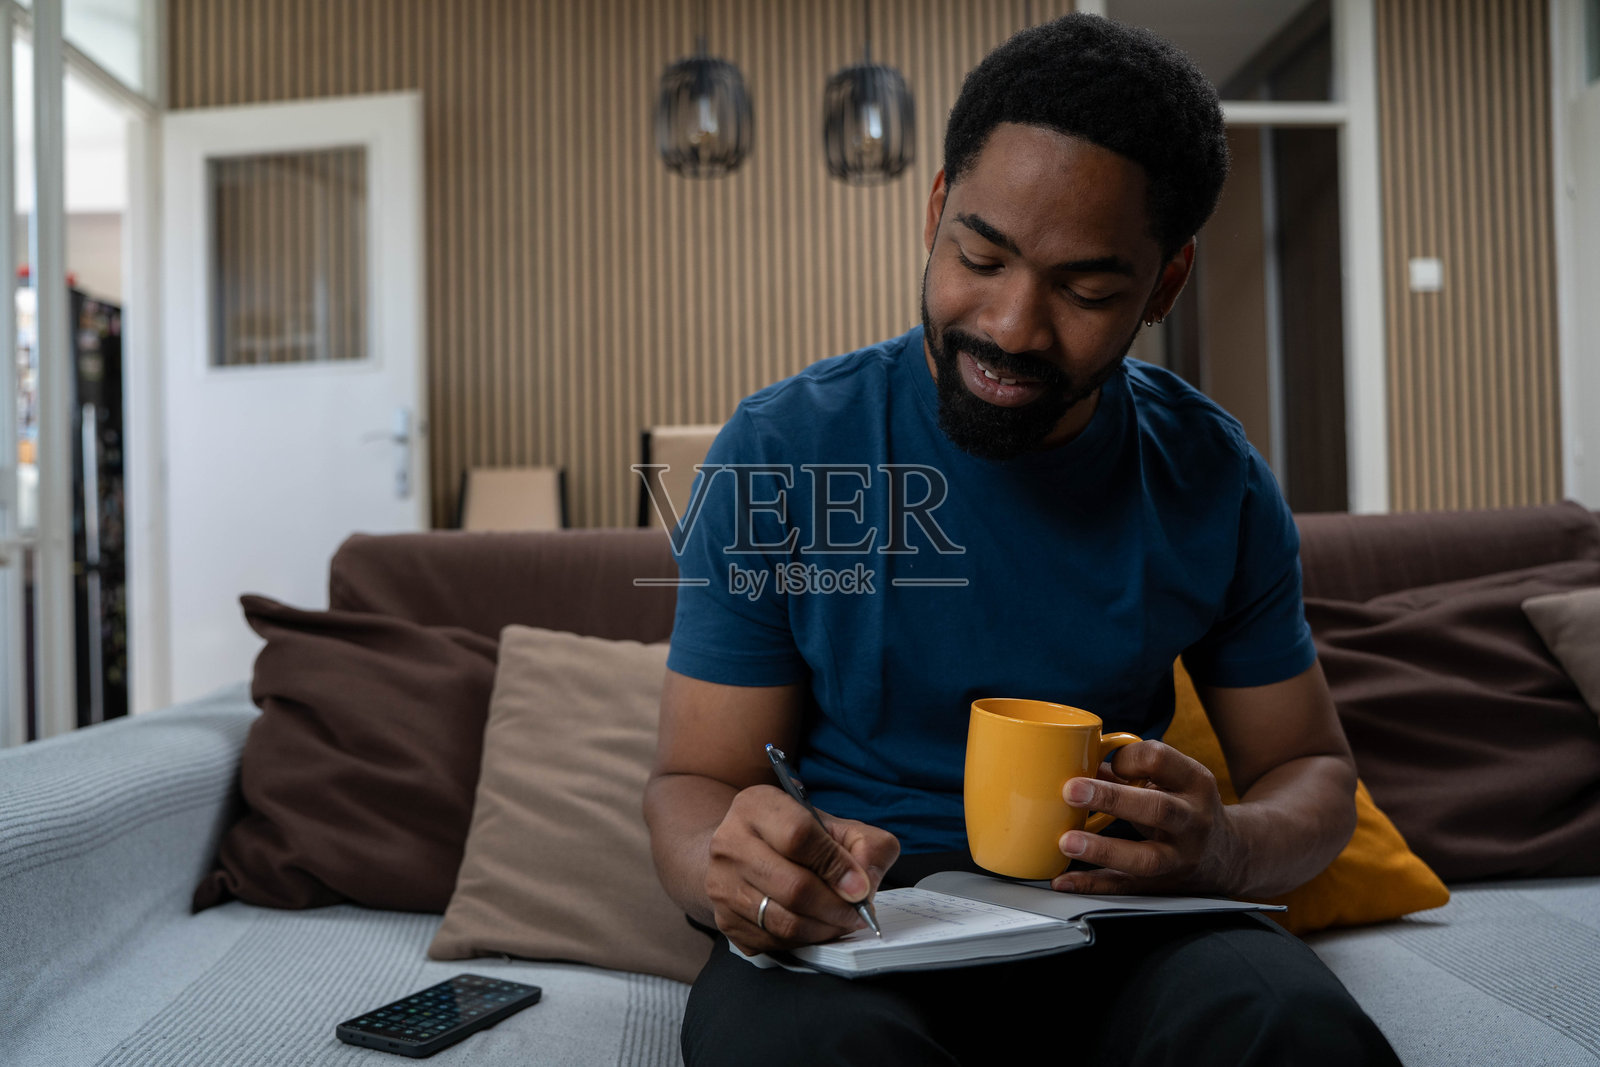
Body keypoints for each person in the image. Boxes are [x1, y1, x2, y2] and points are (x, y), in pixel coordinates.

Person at [644, 13, 1401, 1066]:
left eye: (1085, 289)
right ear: (934, 209)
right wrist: (724, 865)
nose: (1009, 325)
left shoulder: (1209, 474)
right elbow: (695, 779)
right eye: (980, 253)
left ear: (1163, 285)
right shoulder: (782, 450)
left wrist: (1229, 844)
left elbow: (1310, 769)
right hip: (863, 919)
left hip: (1122, 917)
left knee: (1294, 1030)